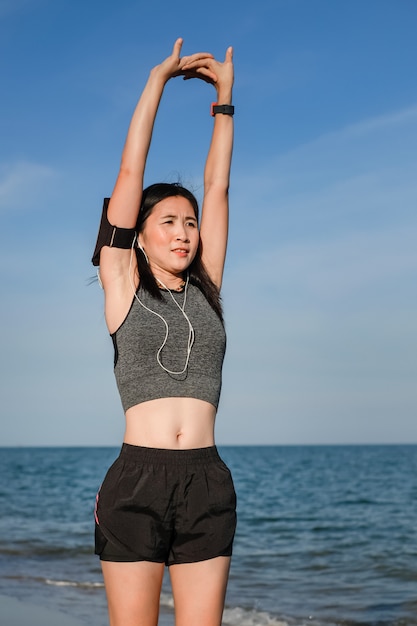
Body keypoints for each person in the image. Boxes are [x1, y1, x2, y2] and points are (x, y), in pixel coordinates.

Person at [91, 39, 236, 626]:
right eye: (168, 222)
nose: (183, 232)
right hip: (136, 483)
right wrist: (157, 81)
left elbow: (218, 185)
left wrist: (225, 101)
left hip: (207, 482)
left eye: (191, 223)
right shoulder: (121, 284)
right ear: (141, 234)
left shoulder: (208, 288)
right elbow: (131, 169)